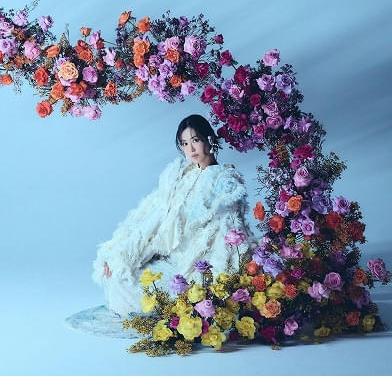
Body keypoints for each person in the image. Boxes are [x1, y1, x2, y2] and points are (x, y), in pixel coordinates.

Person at [66, 114, 256, 337]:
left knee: (157, 296)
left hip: (193, 266)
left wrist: (210, 281)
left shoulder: (224, 180)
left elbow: (227, 236)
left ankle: (181, 307)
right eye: (185, 143)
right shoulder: (179, 177)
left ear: (209, 139)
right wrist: (120, 254)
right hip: (167, 257)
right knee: (119, 278)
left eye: (195, 140)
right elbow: (150, 221)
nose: (191, 148)